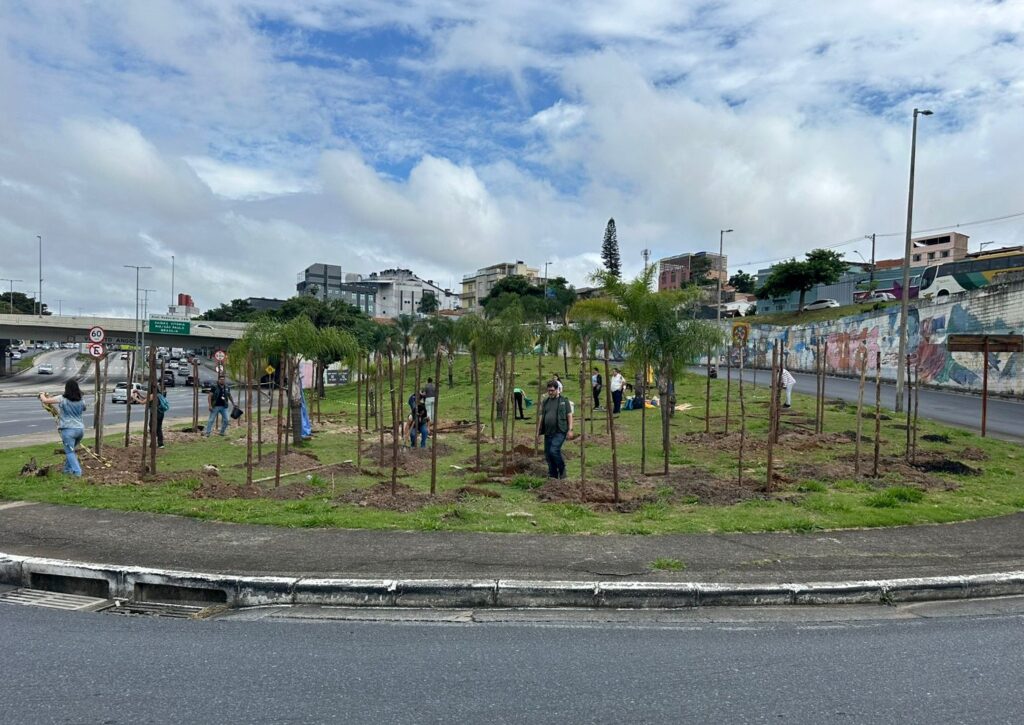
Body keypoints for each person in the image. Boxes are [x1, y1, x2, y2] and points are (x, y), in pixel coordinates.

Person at [39, 380, 87, 477]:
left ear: (66, 389)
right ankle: (66, 471)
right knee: (71, 450)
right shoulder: (81, 400)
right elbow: (84, 408)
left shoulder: (62, 398)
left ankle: (77, 472)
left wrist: (42, 394)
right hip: (80, 430)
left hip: (68, 430)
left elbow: (46, 401)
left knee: (69, 452)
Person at [536, 380, 573, 479]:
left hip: (560, 431)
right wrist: (538, 432)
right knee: (548, 455)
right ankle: (553, 475)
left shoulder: (564, 401)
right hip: (548, 432)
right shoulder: (545, 402)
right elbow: (541, 416)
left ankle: (562, 469)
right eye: (549, 390)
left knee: (554, 450)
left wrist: (570, 429)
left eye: (552, 390)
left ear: (557, 390)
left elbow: (569, 415)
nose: (550, 392)